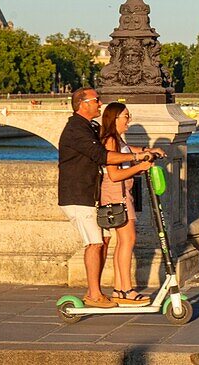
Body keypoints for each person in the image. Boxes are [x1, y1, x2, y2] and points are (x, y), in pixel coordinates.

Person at [57, 88, 164, 308]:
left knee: (103, 241)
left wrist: (144, 150)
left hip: (91, 195)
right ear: (83, 103)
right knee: (94, 243)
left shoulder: (91, 126)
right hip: (79, 194)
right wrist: (137, 158)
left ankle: (98, 292)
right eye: (97, 100)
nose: (100, 103)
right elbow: (103, 155)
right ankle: (94, 295)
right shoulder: (76, 129)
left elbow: (114, 145)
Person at [99, 102, 156, 306]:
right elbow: (114, 174)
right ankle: (125, 290)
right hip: (117, 194)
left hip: (121, 193)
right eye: (125, 116)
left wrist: (148, 151)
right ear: (114, 119)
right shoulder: (110, 142)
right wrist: (140, 165)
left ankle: (120, 288)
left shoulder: (116, 140)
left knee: (123, 242)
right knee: (128, 240)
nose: (128, 121)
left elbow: (128, 151)